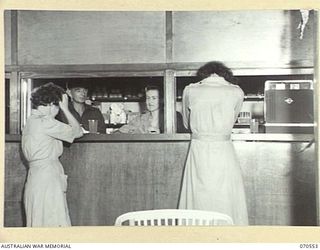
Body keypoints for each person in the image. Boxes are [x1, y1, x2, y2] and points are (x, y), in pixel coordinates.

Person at [177, 61, 249, 225]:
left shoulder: (190, 90)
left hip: (199, 149)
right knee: (226, 195)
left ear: (204, 74)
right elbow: (234, 117)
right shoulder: (236, 91)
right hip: (224, 148)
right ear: (224, 74)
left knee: (197, 195)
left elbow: (187, 123)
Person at [21, 82, 83, 227]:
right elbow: (77, 132)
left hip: (36, 177)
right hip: (48, 177)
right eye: (57, 106)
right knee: (53, 221)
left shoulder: (31, 121)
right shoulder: (46, 122)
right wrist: (66, 109)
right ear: (52, 104)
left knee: (38, 218)